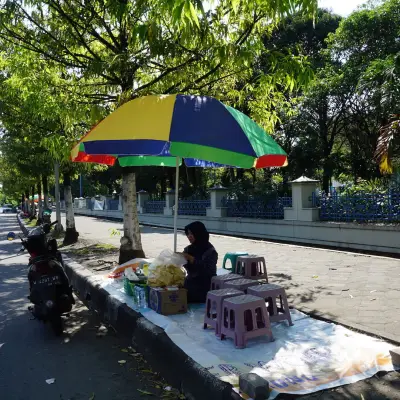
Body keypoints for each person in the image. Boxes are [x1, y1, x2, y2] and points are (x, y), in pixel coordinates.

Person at [182, 221, 218, 303]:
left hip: (205, 286)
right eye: (187, 234)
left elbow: (208, 271)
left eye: (191, 233)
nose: (189, 236)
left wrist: (192, 260)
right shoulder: (188, 249)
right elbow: (189, 269)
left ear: (198, 233)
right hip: (191, 282)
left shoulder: (210, 251)